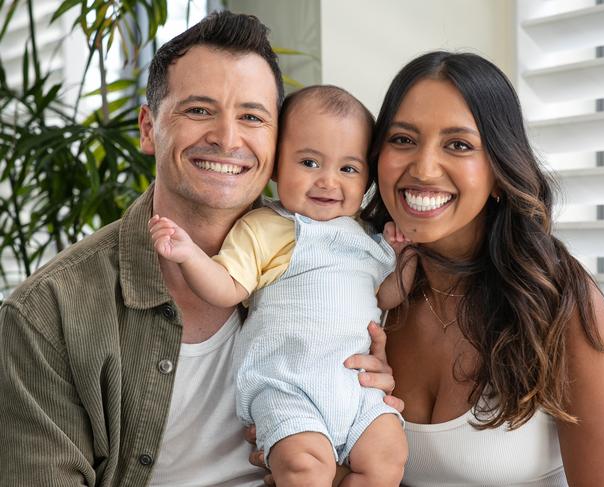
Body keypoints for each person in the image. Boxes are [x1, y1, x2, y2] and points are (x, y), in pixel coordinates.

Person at [0, 11, 399, 486]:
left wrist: (357, 390)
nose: (227, 139)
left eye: (252, 117)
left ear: (276, 142)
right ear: (148, 129)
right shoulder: (47, 315)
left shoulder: (337, 260)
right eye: (198, 110)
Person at [361, 51, 604, 486]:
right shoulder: (358, 283)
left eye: (458, 145)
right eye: (402, 139)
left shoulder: (555, 298)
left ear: (499, 167)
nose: (423, 168)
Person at [149, 84, 409, 487]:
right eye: (309, 162)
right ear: (275, 166)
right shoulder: (269, 228)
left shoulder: (366, 239)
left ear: (367, 179)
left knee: (389, 456)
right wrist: (189, 255)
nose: (328, 181)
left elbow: (385, 294)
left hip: (356, 389)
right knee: (304, 469)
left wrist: (409, 261)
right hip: (288, 387)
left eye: (348, 169)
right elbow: (227, 286)